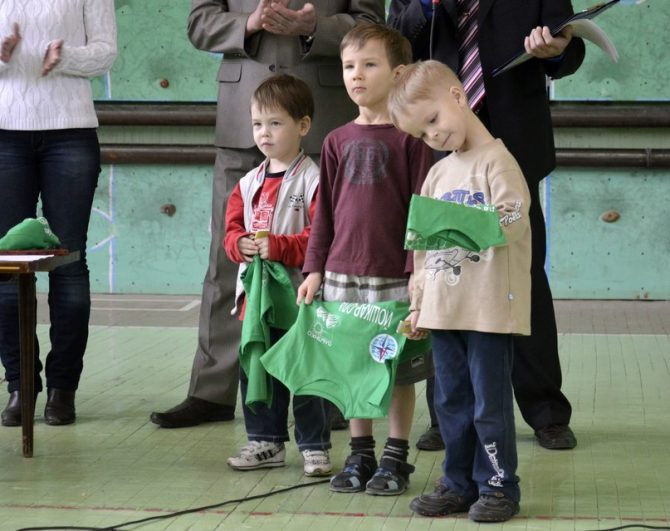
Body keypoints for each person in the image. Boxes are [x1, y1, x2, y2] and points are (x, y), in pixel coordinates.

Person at [149, 0, 386, 430]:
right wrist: (249, 23)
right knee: (229, 256)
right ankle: (210, 390)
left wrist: (318, 27)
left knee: (328, 259)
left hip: (322, 120)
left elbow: (371, 23)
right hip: (245, 121)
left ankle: (327, 388)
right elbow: (200, 23)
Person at [387, 0, 586, 450]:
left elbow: (570, 50)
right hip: (440, 136)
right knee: (445, 271)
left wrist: (554, 49)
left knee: (524, 274)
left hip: (514, 133)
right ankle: (447, 416)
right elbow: (396, 33)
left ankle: (545, 410)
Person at [389, 59, 531, 522]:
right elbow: (423, 249)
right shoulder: (436, 174)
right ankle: (458, 483)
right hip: (444, 311)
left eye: (433, 121)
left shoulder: (497, 160)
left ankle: (498, 486)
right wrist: (418, 303)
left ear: (457, 96)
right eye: (422, 134)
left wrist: (477, 225)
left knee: (489, 404)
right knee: (450, 401)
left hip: (488, 310)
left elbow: (514, 217)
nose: (432, 136)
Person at [297, 24, 434, 496]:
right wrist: (314, 268)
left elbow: (422, 212)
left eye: (369, 64)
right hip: (341, 276)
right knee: (355, 366)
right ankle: (360, 455)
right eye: (349, 66)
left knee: (395, 369)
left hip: (395, 279)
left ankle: (396, 458)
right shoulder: (335, 141)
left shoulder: (413, 139)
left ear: (398, 74)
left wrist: (419, 276)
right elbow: (326, 214)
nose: (356, 75)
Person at [0, 0, 117, 427]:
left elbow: (106, 51)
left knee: (70, 264)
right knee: (8, 266)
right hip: (4, 132)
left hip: (70, 130)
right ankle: (20, 385)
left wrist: (64, 57)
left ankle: (63, 389)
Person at [223, 74, 332, 476]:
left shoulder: (315, 178)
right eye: (257, 124)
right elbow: (231, 232)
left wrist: (280, 247)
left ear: (303, 125)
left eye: (275, 123)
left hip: (301, 297)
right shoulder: (247, 182)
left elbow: (321, 238)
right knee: (259, 367)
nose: (264, 133)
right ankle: (265, 441)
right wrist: (241, 246)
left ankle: (314, 445)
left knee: (303, 370)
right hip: (257, 300)